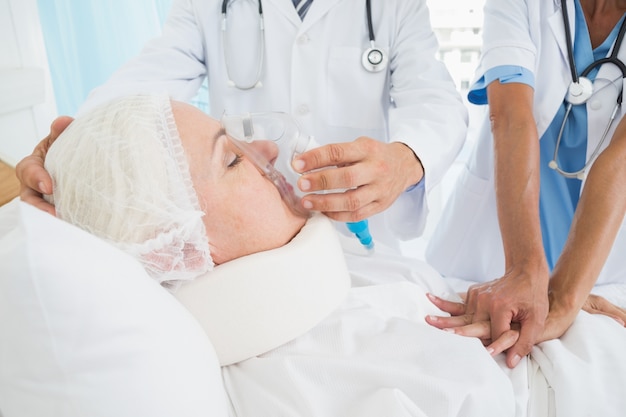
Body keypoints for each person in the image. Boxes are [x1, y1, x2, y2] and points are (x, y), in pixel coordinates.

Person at [44, 93, 517, 417]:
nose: (267, 147)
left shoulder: (334, 262)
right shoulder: (311, 388)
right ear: (175, 250)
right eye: (231, 159)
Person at [17, 0, 468, 251]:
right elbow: (144, 82)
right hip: (251, 248)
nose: (269, 154)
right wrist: (72, 147)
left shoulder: (395, 7)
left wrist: (406, 158)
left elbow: (435, 101)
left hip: (367, 237)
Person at [425, 0, 626, 369]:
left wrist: (566, 296)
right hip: (485, 262)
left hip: (594, 275)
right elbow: (512, 116)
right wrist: (524, 270)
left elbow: (622, 157)